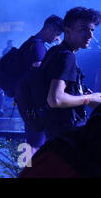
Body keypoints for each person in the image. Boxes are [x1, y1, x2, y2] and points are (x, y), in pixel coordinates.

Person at [43, 7, 101, 141]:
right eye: (83, 29)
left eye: (92, 30)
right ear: (67, 31)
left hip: (54, 133)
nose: (90, 35)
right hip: (64, 135)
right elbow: (55, 99)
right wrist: (89, 99)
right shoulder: (66, 57)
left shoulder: (55, 52)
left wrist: (82, 95)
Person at [17, 15, 64, 154]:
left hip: (27, 98)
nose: (57, 38)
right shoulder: (37, 46)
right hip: (34, 101)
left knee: (30, 137)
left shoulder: (32, 42)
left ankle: (25, 168)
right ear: (49, 29)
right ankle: (29, 170)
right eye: (56, 34)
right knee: (35, 141)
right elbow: (39, 69)